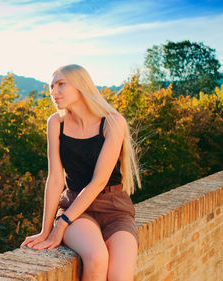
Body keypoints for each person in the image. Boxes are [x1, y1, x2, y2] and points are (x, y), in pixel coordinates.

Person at [20, 64, 141, 281]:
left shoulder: (113, 122)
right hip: (76, 208)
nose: (53, 92)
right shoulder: (56, 123)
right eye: (51, 86)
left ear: (80, 86)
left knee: (120, 276)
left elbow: (99, 181)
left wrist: (62, 225)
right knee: (96, 258)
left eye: (61, 84)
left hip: (115, 208)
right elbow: (56, 179)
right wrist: (46, 230)